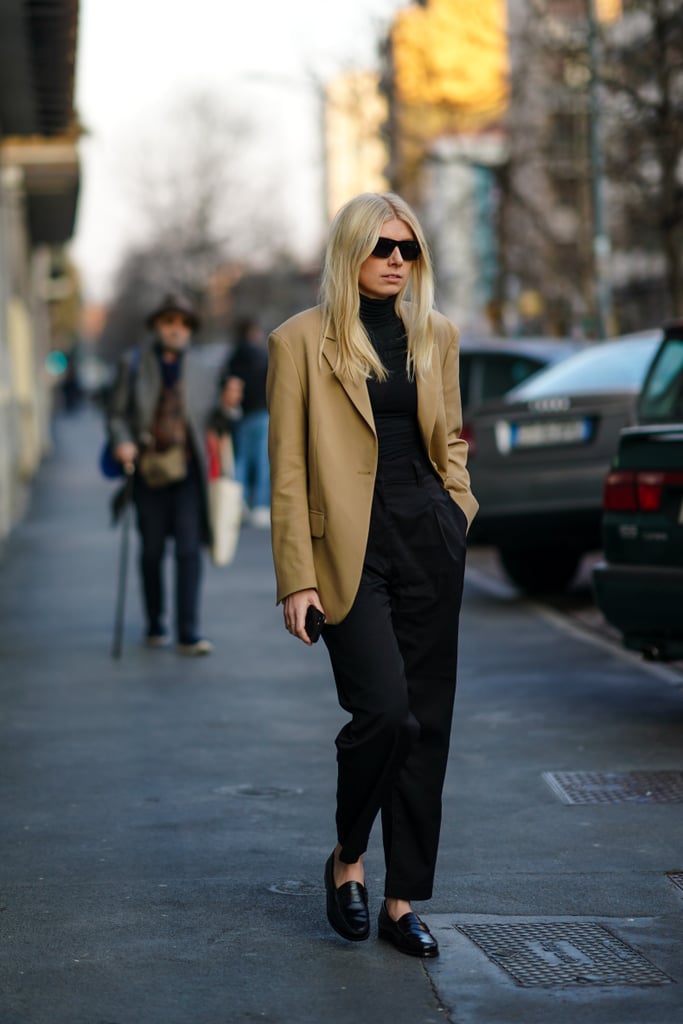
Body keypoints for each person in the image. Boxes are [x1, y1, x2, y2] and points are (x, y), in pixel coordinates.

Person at [266, 192, 478, 958]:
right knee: (383, 714)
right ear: (350, 251)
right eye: (382, 246)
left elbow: (450, 436)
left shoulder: (436, 335)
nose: (396, 260)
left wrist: (457, 509)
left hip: (427, 538)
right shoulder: (298, 342)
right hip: (346, 553)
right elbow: (287, 468)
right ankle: (346, 859)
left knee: (426, 727)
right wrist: (296, 577)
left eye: (408, 249)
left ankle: (399, 902)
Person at [107, 292, 239, 656]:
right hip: (147, 472)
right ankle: (154, 623)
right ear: (156, 326)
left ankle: (188, 632)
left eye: (183, 323)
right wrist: (123, 442)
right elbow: (116, 414)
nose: (176, 329)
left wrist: (229, 407)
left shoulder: (205, 369)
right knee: (150, 553)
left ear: (191, 329)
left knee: (188, 552)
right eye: (169, 322)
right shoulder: (132, 364)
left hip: (189, 474)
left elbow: (218, 424)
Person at [223, 316, 270, 528]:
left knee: (240, 460)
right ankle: (259, 505)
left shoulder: (233, 357)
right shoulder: (262, 355)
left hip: (241, 414)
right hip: (262, 413)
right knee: (262, 461)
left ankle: (238, 503)